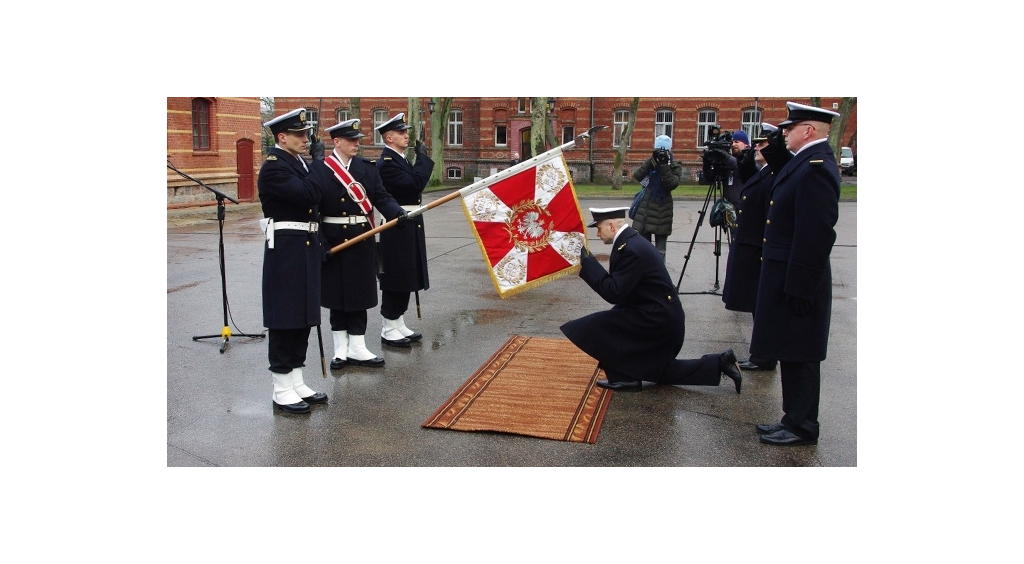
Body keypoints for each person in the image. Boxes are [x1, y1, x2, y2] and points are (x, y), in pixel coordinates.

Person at [560, 207, 742, 393]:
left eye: (599, 228)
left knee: (592, 327)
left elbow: (613, 292)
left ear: (612, 226)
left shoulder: (630, 249)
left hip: (657, 323)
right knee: (661, 373)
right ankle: (720, 363)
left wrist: (589, 264)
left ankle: (625, 376)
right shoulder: (630, 242)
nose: (597, 234)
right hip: (656, 316)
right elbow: (625, 293)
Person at [750, 102, 841, 446]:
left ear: (809, 131)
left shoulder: (816, 166)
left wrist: (801, 286)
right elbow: (779, 169)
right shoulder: (803, 161)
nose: (783, 133)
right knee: (789, 347)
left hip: (801, 277)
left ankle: (803, 425)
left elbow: (815, 234)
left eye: (790, 128)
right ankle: (792, 417)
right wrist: (777, 142)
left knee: (801, 353)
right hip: (786, 272)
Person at [313, 119, 408, 370]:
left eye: (358, 139)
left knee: (358, 294)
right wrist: (320, 240)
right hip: (333, 240)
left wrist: (396, 212)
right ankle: (340, 350)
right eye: (351, 140)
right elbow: (313, 209)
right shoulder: (321, 168)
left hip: (361, 238)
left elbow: (381, 196)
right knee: (336, 296)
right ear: (336, 142)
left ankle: (357, 346)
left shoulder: (367, 168)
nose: (357, 144)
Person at [257, 108, 328, 414]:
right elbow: (310, 194)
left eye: (307, 134)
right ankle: (281, 386)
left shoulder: (296, 162)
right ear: (281, 137)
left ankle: (296, 379)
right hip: (286, 249)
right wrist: (319, 163)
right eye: (299, 135)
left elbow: (316, 196)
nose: (306, 139)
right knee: (285, 318)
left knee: (304, 315)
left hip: (306, 245)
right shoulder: (274, 167)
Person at [722, 123, 779, 372]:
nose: (757, 148)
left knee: (762, 306)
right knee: (758, 305)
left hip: (760, 247)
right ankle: (762, 353)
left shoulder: (772, 172)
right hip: (754, 245)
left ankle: (764, 355)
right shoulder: (765, 171)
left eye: (763, 144)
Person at [375, 113, 435, 348]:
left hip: (410, 221)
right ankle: (388, 326)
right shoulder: (387, 163)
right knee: (396, 275)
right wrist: (422, 158)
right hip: (396, 224)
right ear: (389, 137)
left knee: (408, 273)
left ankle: (398, 321)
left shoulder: (399, 158)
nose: (405, 135)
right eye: (401, 132)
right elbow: (414, 184)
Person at [630, 135, 682, 260]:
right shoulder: (651, 163)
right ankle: (644, 274)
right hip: (646, 209)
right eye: (658, 150)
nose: (661, 153)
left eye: (664, 151)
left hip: (663, 210)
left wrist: (664, 165)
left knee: (660, 251)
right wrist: (651, 160)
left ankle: (658, 276)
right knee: (643, 248)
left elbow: (670, 185)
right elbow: (638, 176)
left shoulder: (675, 167)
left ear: (669, 151)